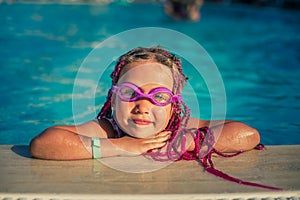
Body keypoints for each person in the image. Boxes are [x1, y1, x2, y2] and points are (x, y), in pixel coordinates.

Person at [30, 46, 281, 190]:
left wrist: (190, 142)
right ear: (112, 99)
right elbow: (44, 144)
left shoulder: (182, 128)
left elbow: (248, 135)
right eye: (130, 93)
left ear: (174, 105)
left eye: (158, 96)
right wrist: (119, 146)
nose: (143, 106)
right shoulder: (107, 129)